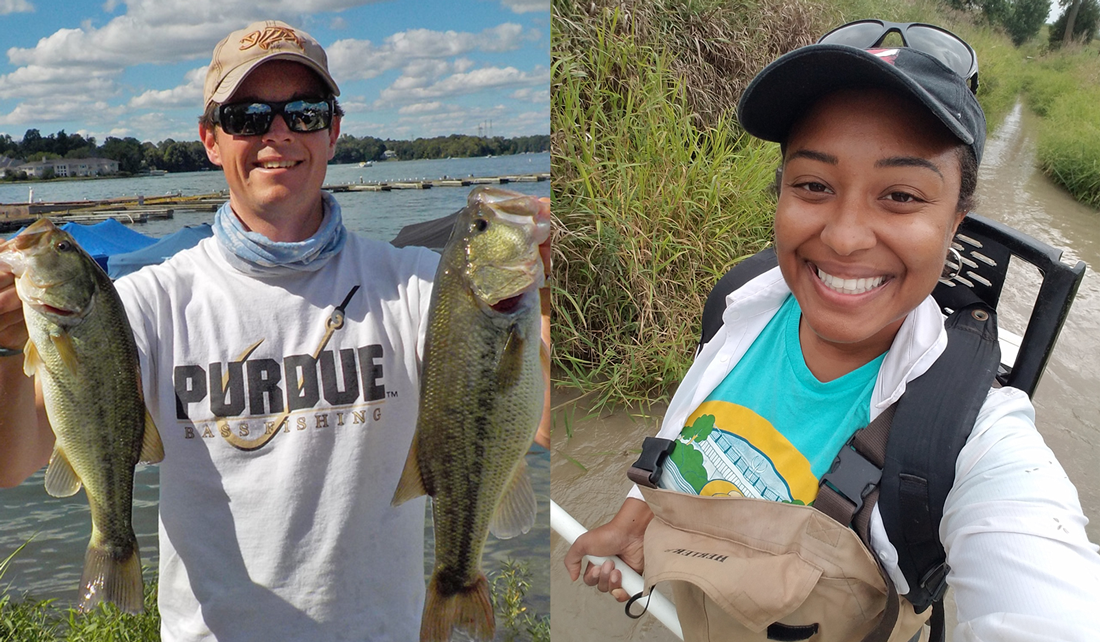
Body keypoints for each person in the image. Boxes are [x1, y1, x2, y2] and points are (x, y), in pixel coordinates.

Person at [0, 19, 551, 641]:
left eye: (306, 112)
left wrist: (552, 305)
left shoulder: (423, 288)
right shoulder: (145, 304)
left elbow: (544, 426)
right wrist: (5, 345)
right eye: (248, 117)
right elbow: (13, 461)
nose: (279, 134)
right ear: (210, 139)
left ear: (334, 130)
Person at [564, 19, 1100, 642]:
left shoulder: (965, 431)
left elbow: (1045, 599)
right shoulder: (744, 303)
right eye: (814, 185)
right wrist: (634, 518)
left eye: (900, 195)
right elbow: (685, 425)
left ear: (958, 220)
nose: (844, 237)